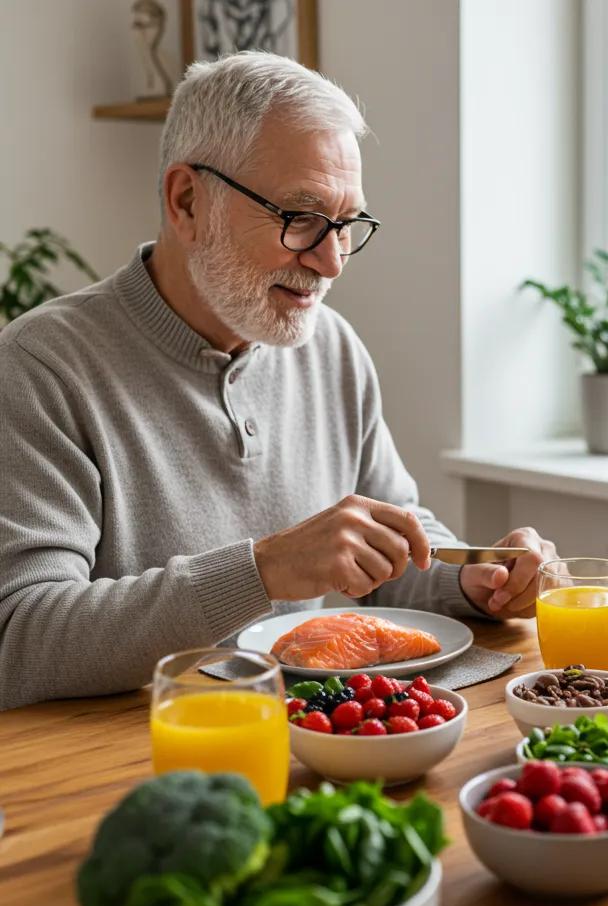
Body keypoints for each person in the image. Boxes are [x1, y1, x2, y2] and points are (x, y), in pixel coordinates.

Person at [0, 52, 556, 711]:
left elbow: (391, 551)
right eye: (301, 217)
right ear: (187, 203)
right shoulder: (41, 366)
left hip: (318, 746)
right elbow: (21, 640)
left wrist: (478, 576)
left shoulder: (333, 349)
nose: (331, 261)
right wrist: (264, 571)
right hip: (140, 774)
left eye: (348, 225)